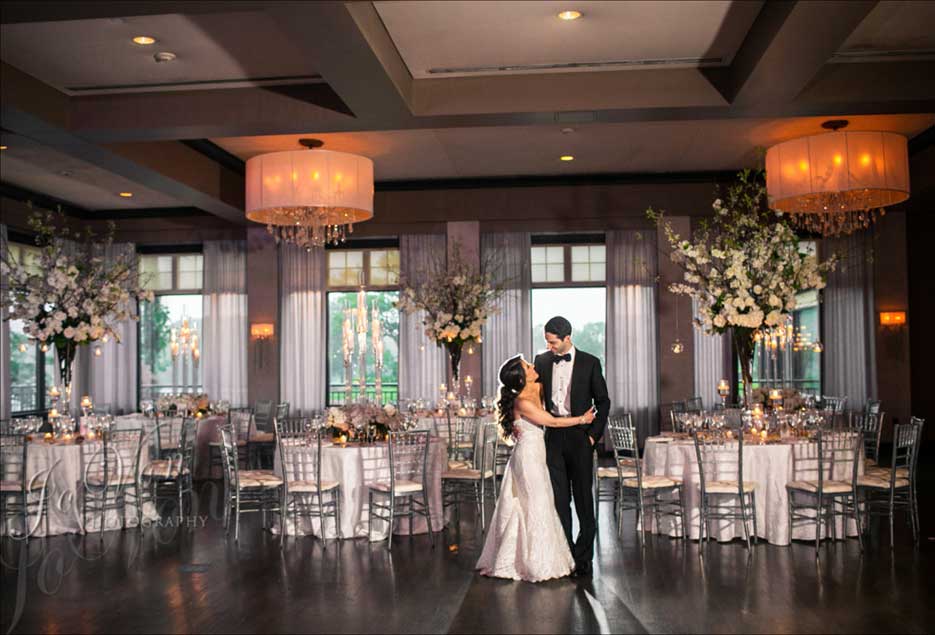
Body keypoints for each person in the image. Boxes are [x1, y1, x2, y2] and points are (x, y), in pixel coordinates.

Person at [476, 355, 596, 582]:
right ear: (521, 378)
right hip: (529, 458)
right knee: (537, 504)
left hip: (534, 455)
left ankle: (532, 556)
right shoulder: (522, 402)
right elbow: (553, 422)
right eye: (527, 367)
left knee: (535, 504)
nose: (533, 366)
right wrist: (582, 419)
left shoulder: (529, 393)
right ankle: (535, 562)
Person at [533, 316, 610, 578]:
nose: (549, 347)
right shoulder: (542, 361)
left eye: (553, 342)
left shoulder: (590, 362)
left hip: (580, 437)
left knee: (583, 501)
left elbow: (603, 402)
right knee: (559, 500)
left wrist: (592, 437)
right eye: (547, 342)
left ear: (567, 338)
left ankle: (584, 557)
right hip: (553, 437)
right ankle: (565, 554)